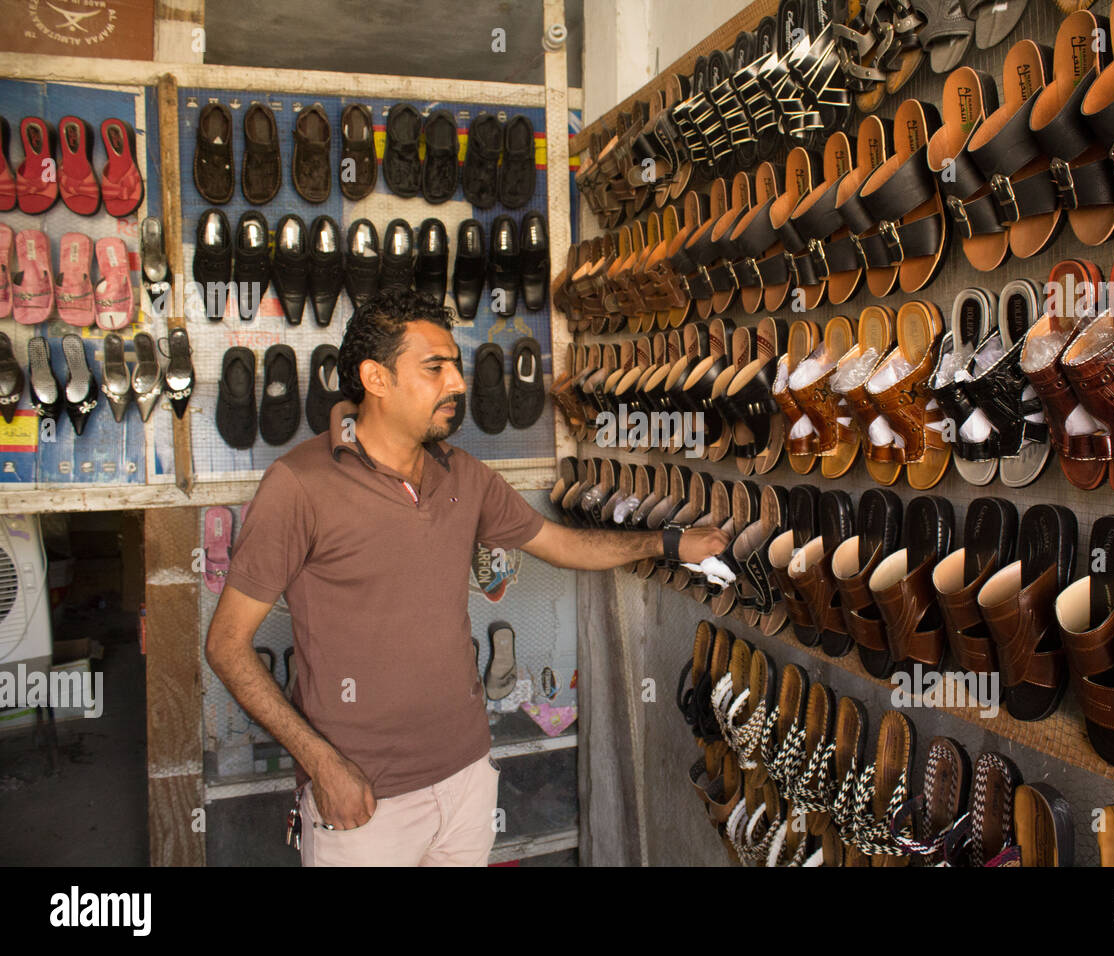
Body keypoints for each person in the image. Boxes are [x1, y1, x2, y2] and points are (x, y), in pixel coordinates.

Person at [205, 290, 729, 866]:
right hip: (361, 792)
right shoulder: (299, 485)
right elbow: (226, 646)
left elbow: (561, 544)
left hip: (466, 775)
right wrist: (324, 765)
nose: (457, 383)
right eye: (435, 368)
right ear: (375, 378)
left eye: (456, 364)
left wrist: (671, 542)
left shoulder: (464, 476)